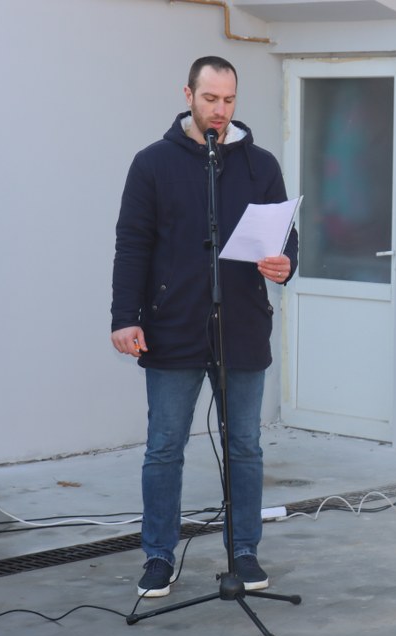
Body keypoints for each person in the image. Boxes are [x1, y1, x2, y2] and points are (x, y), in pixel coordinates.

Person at [111, 56, 298, 597]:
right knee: (165, 447)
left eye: (229, 99)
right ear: (188, 95)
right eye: (210, 98)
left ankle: (244, 552)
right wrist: (125, 317)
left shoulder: (260, 164)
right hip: (171, 327)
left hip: (241, 327)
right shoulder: (152, 163)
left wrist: (285, 263)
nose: (220, 109)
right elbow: (132, 245)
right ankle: (158, 556)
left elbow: (286, 237)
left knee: (245, 446)